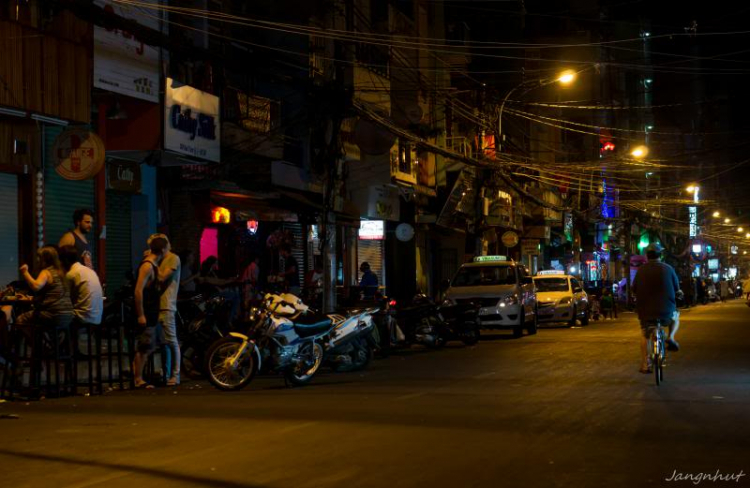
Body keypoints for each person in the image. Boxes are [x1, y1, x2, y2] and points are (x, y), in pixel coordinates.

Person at [632, 244, 681, 374]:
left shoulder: (641, 270)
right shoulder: (668, 269)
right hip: (666, 311)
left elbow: (634, 289)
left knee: (644, 334)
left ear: (647, 256)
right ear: (661, 255)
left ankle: (644, 363)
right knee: (675, 316)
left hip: (645, 312)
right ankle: (671, 337)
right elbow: (677, 288)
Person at [132, 236, 168, 389]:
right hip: (146, 311)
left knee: (150, 345)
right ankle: (138, 379)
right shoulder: (147, 266)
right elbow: (138, 291)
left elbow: (160, 278)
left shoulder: (153, 264)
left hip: (152, 312)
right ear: (162, 250)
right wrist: (141, 314)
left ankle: (139, 375)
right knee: (144, 346)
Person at [151, 234, 181, 386]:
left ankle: (175, 375)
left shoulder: (173, 259)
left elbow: (162, 277)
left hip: (167, 305)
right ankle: (166, 373)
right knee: (163, 343)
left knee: (171, 341)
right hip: (158, 304)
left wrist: (152, 262)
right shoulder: (160, 259)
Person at [59, 245, 103, 327]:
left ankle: (67, 339)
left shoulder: (71, 274)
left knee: (60, 316)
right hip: (97, 317)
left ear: (64, 261)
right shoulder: (89, 270)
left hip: (83, 317)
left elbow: (64, 298)